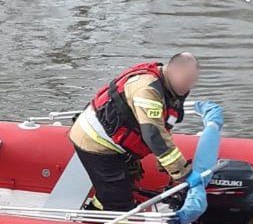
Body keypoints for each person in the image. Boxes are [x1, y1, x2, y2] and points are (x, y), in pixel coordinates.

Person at [68, 53, 199, 211]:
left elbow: (163, 126)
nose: (188, 86)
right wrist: (183, 173)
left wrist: (165, 164)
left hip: (113, 143)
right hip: (95, 142)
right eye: (186, 80)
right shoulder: (147, 88)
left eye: (192, 81)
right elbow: (153, 134)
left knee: (126, 184)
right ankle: (95, 221)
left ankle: (103, 204)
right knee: (117, 202)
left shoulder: (171, 88)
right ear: (173, 70)